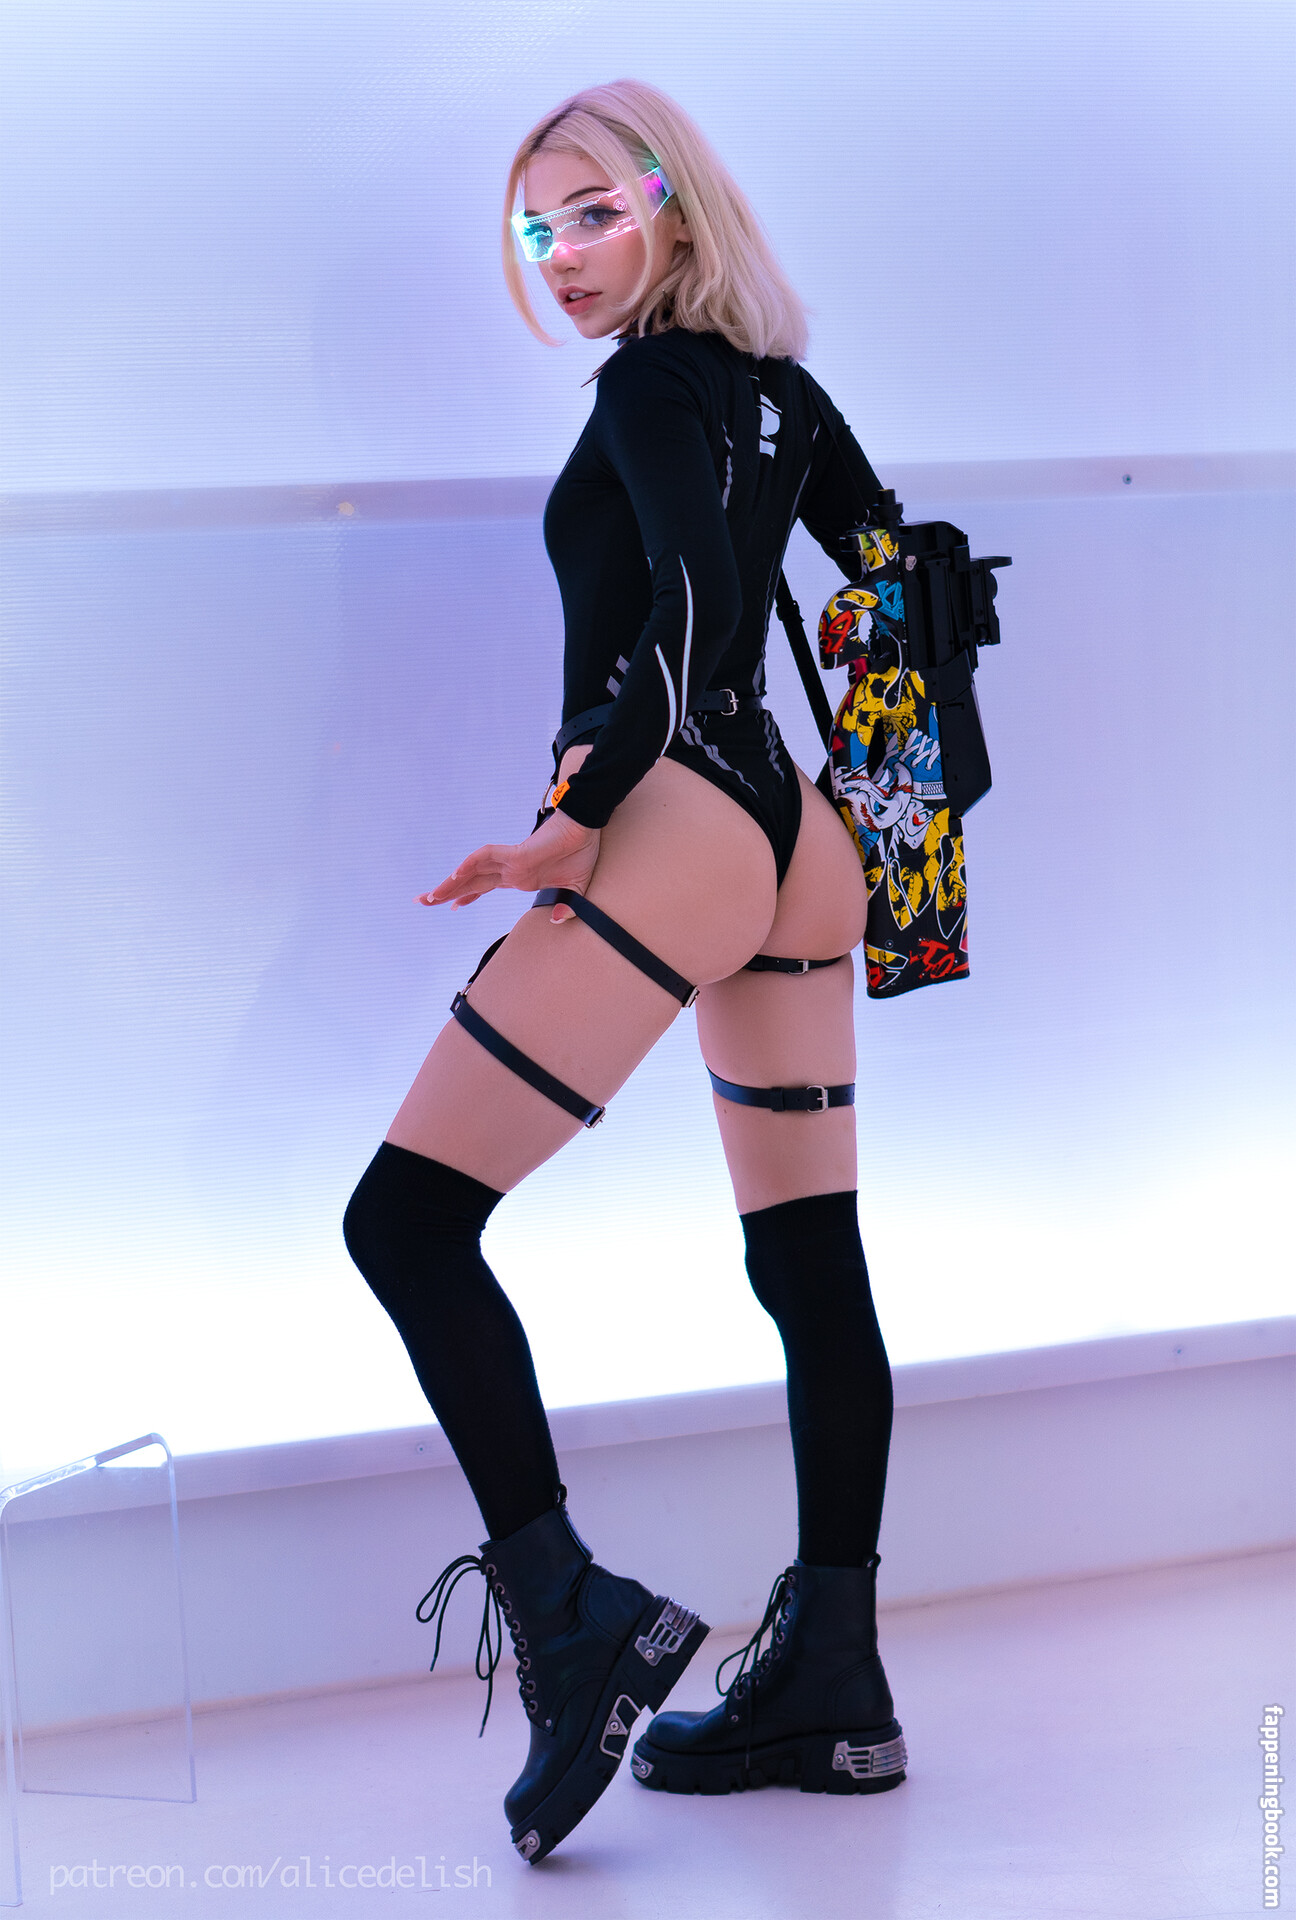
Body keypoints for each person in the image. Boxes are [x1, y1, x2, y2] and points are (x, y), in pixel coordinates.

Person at [342, 77, 906, 1866]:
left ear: (675, 198)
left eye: (593, 211)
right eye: (538, 229)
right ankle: (835, 1679)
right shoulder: (782, 391)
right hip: (803, 841)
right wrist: (896, 836)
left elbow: (690, 605)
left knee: (404, 1223)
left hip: (674, 821)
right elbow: (891, 583)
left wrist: (577, 815)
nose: (564, 256)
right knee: (808, 1259)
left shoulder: (652, 384)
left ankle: (576, 1621)